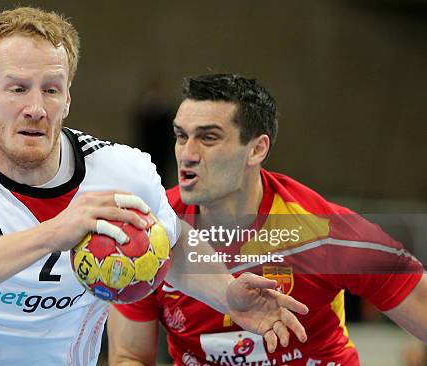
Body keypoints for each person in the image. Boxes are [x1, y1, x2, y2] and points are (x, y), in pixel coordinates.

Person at [0, 9, 309, 366]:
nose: (36, 107)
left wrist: (226, 292)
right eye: (17, 89)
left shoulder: (121, 170)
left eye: (51, 90)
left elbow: (171, 244)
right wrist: (54, 233)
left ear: (68, 97)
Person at [109, 73, 427, 366]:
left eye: (208, 138)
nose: (187, 153)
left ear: (257, 149)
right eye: (181, 136)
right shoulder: (148, 234)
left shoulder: (326, 232)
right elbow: (129, 356)